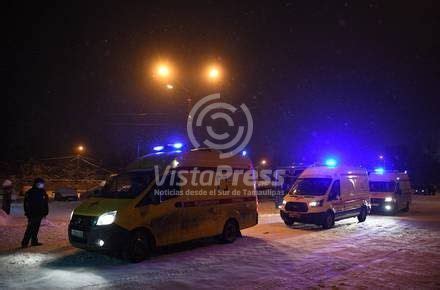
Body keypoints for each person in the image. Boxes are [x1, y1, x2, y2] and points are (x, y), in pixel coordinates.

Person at [21, 178, 49, 248]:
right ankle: (24, 243)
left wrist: (45, 212)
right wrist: (27, 213)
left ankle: (34, 241)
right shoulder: (30, 192)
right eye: (40, 183)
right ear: (36, 184)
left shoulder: (42, 192)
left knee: (36, 228)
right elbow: (26, 204)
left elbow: (45, 203)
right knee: (30, 228)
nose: (42, 185)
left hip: (40, 213)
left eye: (42, 184)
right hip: (32, 214)